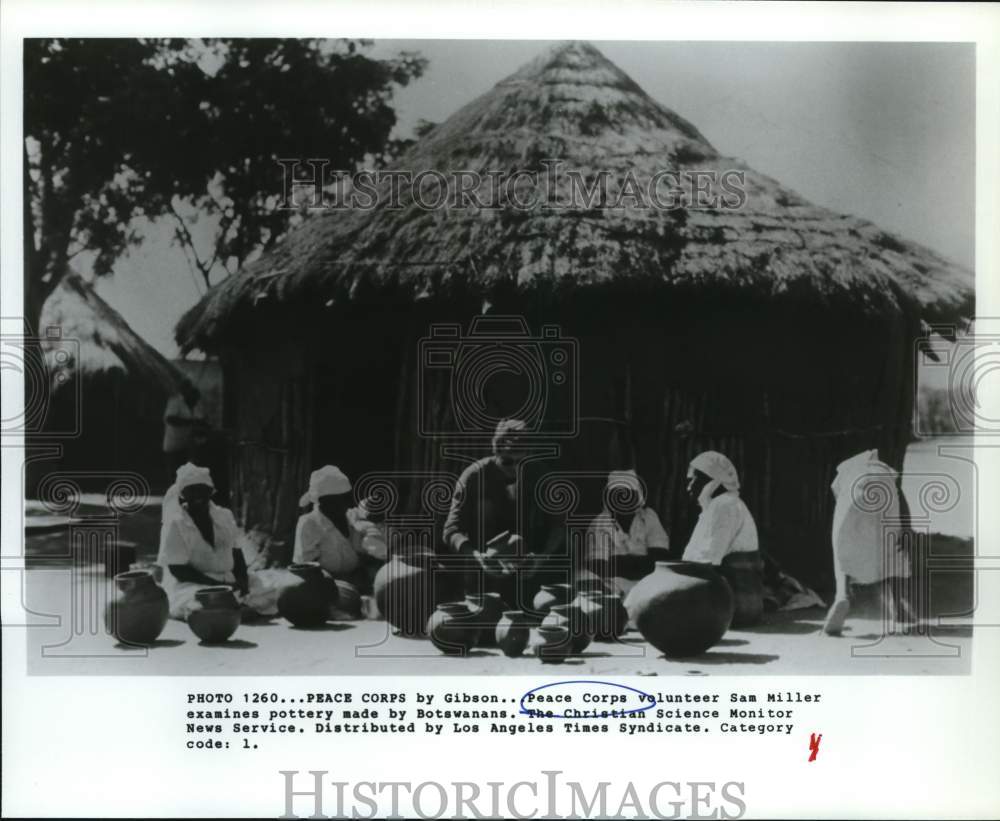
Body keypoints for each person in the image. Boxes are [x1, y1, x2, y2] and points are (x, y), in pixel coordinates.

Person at [156, 463, 295, 620]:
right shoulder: (176, 523)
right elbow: (178, 570)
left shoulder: (224, 516)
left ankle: (233, 608)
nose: (198, 498)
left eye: (202, 491)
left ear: (210, 492)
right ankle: (235, 608)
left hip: (229, 580)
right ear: (182, 495)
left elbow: (236, 553)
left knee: (279, 587)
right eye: (192, 492)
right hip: (194, 584)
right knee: (195, 600)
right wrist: (217, 587)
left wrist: (242, 580)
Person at [825, 449, 914, 636]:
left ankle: (842, 595)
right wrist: (906, 529)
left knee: (841, 549)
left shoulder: (846, 474)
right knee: (892, 549)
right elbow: (901, 499)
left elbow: (841, 509)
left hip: (852, 497)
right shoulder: (883, 470)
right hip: (887, 492)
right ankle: (898, 604)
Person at [442, 418, 531, 601]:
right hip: (482, 575)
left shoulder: (537, 474)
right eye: (507, 462)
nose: (514, 469)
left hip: (528, 575)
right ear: (495, 451)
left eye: (520, 462)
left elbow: (559, 525)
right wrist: (478, 557)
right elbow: (451, 530)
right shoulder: (475, 476)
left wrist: (541, 557)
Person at [681, 451, 763, 625]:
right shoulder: (718, 505)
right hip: (740, 606)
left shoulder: (725, 506)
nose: (688, 487)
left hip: (735, 608)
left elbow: (709, 560)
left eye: (692, 480)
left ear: (712, 480)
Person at [293, 465, 387, 592]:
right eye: (338, 500)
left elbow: (365, 546)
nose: (345, 504)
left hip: (357, 578)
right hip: (327, 586)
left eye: (346, 497)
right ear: (322, 501)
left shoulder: (350, 517)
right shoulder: (309, 523)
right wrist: (336, 584)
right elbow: (305, 566)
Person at [579, 470, 669, 597]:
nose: (623, 499)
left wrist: (618, 561)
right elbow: (598, 566)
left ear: (637, 495)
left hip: (648, 582)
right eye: (617, 494)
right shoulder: (600, 523)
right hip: (612, 585)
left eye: (628, 493)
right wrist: (641, 562)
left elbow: (660, 558)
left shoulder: (649, 517)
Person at [162, 381, 208, 481]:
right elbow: (170, 419)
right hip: (173, 445)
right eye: (193, 400)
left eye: (196, 400)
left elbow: (198, 422)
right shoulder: (175, 402)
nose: (195, 402)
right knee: (175, 475)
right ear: (187, 395)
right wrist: (192, 422)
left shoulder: (194, 407)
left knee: (185, 476)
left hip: (187, 446)